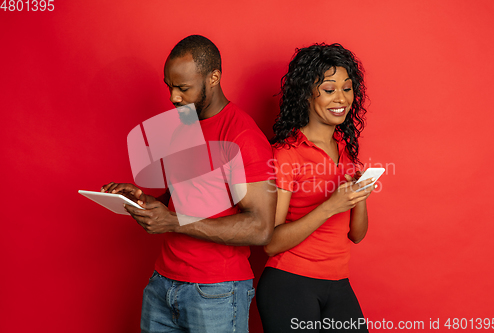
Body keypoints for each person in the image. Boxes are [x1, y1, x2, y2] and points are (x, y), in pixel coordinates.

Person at [101, 35, 276, 333]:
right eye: (170, 86)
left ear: (214, 77)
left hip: (216, 292)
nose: (173, 97)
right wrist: (143, 200)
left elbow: (261, 228)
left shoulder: (243, 136)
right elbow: (181, 197)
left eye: (183, 88)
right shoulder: (182, 126)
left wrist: (172, 222)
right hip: (162, 284)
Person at [256, 43, 376, 332]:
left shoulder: (346, 150)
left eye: (347, 88)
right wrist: (330, 206)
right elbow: (271, 242)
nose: (341, 98)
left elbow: (356, 235)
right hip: (289, 282)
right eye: (329, 89)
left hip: (338, 282)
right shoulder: (287, 153)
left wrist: (358, 196)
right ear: (306, 94)